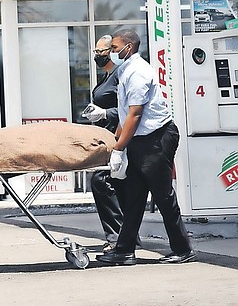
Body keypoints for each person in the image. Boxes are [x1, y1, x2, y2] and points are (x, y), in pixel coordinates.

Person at [96, 29, 196, 266]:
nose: (111, 53)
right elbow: (123, 116)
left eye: (114, 48)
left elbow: (135, 113)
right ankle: (124, 251)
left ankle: (183, 249)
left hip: (157, 138)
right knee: (133, 196)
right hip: (140, 139)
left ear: (128, 48)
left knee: (162, 195)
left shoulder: (138, 72)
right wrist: (116, 144)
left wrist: (119, 148)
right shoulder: (125, 71)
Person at [82, 35, 128, 253]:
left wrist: (105, 113)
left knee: (101, 182)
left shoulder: (120, 75)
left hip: (119, 138)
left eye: (102, 52)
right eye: (96, 52)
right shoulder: (107, 77)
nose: (98, 56)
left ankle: (119, 237)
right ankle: (122, 237)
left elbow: (129, 109)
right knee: (112, 185)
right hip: (107, 137)